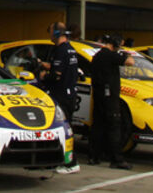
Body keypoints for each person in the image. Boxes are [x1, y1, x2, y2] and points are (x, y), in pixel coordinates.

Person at [87, 34, 133, 170]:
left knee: (98, 126)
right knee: (114, 126)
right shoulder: (111, 55)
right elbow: (130, 62)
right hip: (110, 97)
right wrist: (124, 52)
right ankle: (116, 159)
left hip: (99, 95)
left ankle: (94, 156)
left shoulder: (98, 56)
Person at [41, 22, 79, 175]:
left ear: (57, 33)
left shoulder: (61, 51)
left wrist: (44, 76)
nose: (49, 35)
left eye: (50, 31)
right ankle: (58, 160)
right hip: (70, 93)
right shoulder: (71, 49)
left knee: (63, 129)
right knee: (63, 129)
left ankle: (71, 162)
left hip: (62, 95)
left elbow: (57, 75)